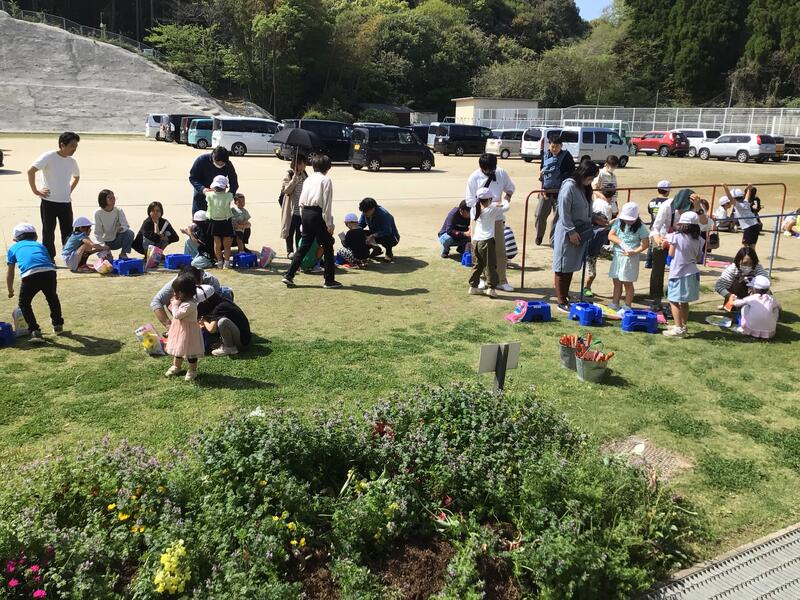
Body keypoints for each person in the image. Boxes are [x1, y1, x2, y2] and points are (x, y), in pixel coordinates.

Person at [282, 155, 341, 288]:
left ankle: (289, 275)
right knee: (328, 246)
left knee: (304, 246)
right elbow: (326, 205)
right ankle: (329, 280)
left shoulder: (308, 179)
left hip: (305, 213)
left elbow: (301, 201)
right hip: (317, 214)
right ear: (328, 167)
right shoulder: (326, 180)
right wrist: (329, 224)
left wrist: (304, 221)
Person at [552, 160, 601, 312]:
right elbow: (564, 212)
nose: (591, 181)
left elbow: (585, 210)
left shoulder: (584, 188)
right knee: (562, 265)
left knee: (571, 265)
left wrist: (595, 218)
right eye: (590, 178)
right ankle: (561, 300)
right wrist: (571, 231)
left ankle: (565, 296)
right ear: (583, 174)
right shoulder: (569, 186)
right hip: (567, 233)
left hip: (580, 233)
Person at [649, 189, 708, 310]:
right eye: (679, 208)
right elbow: (655, 227)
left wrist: (698, 207)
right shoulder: (666, 206)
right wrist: (658, 239)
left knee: (682, 270)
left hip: (684, 241)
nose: (681, 212)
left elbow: (705, 222)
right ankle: (656, 299)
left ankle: (680, 299)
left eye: (684, 209)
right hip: (664, 237)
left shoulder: (697, 206)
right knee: (657, 268)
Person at [6, 223, 64, 343]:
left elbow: (10, 271)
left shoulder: (13, 248)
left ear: (16, 238)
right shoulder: (40, 245)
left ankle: (34, 331)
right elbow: (47, 260)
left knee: (24, 303)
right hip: (49, 272)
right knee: (52, 297)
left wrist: (10, 289)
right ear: (35, 236)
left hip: (30, 274)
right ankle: (58, 324)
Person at [464, 153, 515, 290]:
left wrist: (506, 199)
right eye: (487, 170)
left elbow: (510, 188)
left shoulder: (501, 173)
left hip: (497, 218)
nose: (490, 172)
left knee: (500, 250)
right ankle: (480, 279)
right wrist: (487, 207)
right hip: (479, 219)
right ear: (481, 167)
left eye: (492, 169)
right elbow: (469, 201)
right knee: (478, 251)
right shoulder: (474, 177)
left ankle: (501, 280)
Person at [27, 132, 81, 259]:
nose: (74, 149)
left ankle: (68, 257)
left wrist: (69, 190)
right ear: (62, 145)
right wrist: (36, 191)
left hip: (65, 202)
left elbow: (77, 177)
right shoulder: (49, 156)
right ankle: (49, 258)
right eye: (72, 146)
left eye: (76, 146)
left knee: (68, 232)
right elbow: (31, 171)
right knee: (48, 232)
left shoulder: (72, 161)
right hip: (49, 201)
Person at [663, 211, 704, 338]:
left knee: (673, 300)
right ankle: (682, 325)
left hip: (678, 273)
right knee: (684, 302)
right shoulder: (700, 240)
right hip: (692, 272)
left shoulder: (676, 237)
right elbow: (698, 257)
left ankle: (678, 328)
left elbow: (671, 253)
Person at [150, 265, 223, 332]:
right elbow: (156, 301)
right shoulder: (180, 281)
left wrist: (205, 321)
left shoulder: (211, 283)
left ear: (199, 282)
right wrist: (169, 326)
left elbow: (217, 308)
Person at [607, 202, 650, 311]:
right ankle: (615, 303)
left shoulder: (641, 227)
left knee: (627, 282)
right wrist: (620, 242)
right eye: (626, 219)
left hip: (630, 258)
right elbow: (611, 235)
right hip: (618, 255)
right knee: (616, 280)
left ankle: (627, 305)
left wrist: (634, 252)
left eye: (631, 220)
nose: (628, 222)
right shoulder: (618, 222)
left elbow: (645, 244)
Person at [469, 187, 510, 298]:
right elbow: (506, 207)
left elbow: (489, 206)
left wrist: (495, 204)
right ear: (489, 199)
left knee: (477, 265)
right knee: (490, 265)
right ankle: (491, 289)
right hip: (487, 241)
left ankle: (473, 287)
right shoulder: (492, 210)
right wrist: (506, 199)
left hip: (476, 241)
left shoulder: (474, 209)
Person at [164, 274, 205, 381]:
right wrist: (176, 303)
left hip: (189, 332)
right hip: (180, 329)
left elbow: (177, 315)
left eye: (176, 292)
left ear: (184, 292)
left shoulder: (190, 304)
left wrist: (175, 304)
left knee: (191, 353)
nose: (174, 294)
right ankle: (176, 366)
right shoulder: (183, 301)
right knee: (178, 349)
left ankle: (192, 371)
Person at [535, 136, 575, 247]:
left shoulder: (567, 157)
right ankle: (539, 235)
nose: (554, 149)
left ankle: (553, 241)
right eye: (552, 146)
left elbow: (572, 174)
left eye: (557, 147)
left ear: (561, 146)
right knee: (539, 214)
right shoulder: (545, 156)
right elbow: (542, 174)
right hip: (546, 191)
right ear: (549, 145)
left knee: (557, 218)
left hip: (560, 193)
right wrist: (542, 188)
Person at [197, 287, 252, 356]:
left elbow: (212, 329)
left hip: (242, 340)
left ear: (205, 301)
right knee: (217, 321)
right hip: (241, 335)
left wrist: (204, 320)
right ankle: (224, 343)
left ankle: (230, 348)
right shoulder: (222, 301)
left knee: (222, 322)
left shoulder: (219, 307)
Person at [188, 146, 239, 215]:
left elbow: (234, 183)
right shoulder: (201, 160)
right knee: (200, 217)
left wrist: (229, 196)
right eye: (217, 162)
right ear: (213, 157)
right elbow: (193, 178)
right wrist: (202, 189)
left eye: (222, 163)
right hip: (202, 194)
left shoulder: (228, 164)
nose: (220, 165)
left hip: (219, 198)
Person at [733, 275, 779, 339]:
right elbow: (779, 307)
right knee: (776, 308)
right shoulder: (771, 299)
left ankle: (744, 327)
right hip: (770, 332)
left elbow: (736, 304)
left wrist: (735, 299)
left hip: (750, 329)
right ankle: (769, 326)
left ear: (754, 289)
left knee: (745, 307)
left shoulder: (752, 298)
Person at [93, 189, 134, 260]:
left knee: (130, 233)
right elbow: (97, 233)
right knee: (108, 262)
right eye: (110, 198)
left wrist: (121, 229)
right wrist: (103, 246)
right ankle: (107, 254)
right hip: (104, 242)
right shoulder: (98, 213)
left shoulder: (118, 210)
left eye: (114, 197)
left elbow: (125, 225)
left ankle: (123, 254)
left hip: (116, 239)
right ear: (103, 199)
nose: (113, 200)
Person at [280, 154, 307, 257]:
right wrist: (293, 180)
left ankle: (298, 251)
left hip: (301, 210)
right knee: (290, 231)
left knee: (300, 232)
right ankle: (289, 251)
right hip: (291, 208)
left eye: (304, 164)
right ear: (296, 164)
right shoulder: (289, 174)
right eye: (301, 164)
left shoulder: (304, 174)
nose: (303, 166)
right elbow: (286, 190)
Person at [205, 175, 235, 269]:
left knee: (217, 244)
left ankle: (219, 262)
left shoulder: (209, 195)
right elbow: (230, 193)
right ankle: (227, 263)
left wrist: (210, 190)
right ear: (225, 187)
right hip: (226, 221)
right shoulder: (228, 195)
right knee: (227, 245)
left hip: (214, 222)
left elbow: (206, 191)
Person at [358, 197, 400, 262]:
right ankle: (376, 249)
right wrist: (354, 230)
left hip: (392, 238)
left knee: (386, 236)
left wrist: (373, 236)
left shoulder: (384, 214)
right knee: (360, 233)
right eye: (363, 211)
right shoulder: (365, 212)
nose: (364, 213)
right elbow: (361, 224)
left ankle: (389, 253)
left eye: (366, 212)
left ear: (373, 209)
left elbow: (387, 231)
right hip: (376, 235)